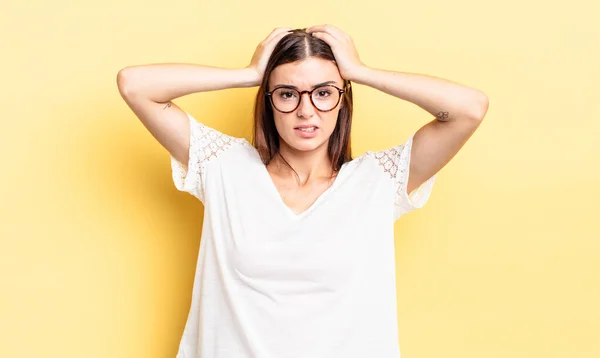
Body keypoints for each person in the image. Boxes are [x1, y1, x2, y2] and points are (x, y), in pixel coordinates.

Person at [117, 25, 488, 358]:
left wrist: (360, 72)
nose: (306, 110)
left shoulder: (377, 181)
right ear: (268, 100)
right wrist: (248, 75)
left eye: (323, 93)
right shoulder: (225, 167)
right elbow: (135, 85)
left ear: (343, 100)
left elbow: (469, 109)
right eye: (288, 93)